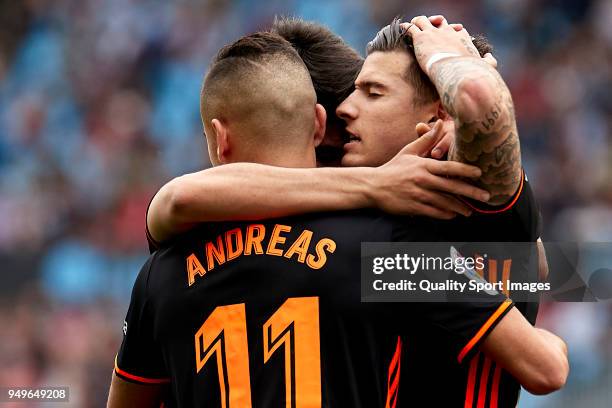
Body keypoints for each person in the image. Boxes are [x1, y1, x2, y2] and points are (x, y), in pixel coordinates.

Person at [108, 32, 567, 407]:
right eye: (352, 94)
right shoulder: (385, 248)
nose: (352, 109)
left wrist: (528, 265)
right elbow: (551, 342)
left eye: (373, 92)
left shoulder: (160, 274)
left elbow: (174, 201)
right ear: (317, 124)